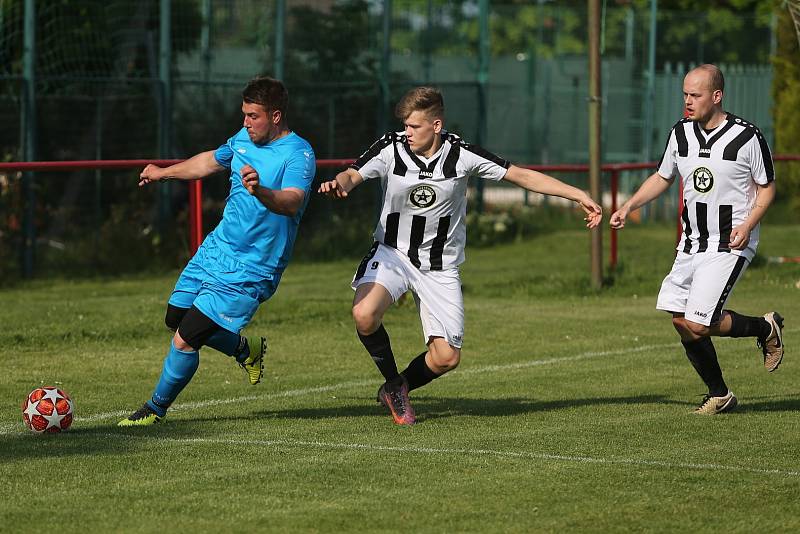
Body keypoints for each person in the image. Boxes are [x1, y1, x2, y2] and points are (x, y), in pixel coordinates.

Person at [318, 86, 602, 425]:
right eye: (405, 126)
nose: (407, 133)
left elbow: (520, 175)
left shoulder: (462, 154)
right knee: (364, 314)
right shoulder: (391, 148)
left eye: (415, 127)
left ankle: (401, 385)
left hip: (440, 266)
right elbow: (352, 173)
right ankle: (393, 384)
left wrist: (576, 193)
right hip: (393, 253)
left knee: (447, 357)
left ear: (436, 125)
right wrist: (342, 184)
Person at [119, 76, 316, 426]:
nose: (245, 122)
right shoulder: (243, 139)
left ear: (275, 116)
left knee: (185, 339)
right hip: (216, 250)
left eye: (253, 116)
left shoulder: (299, 154)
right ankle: (245, 350)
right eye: (244, 114)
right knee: (176, 318)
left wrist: (262, 193)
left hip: (253, 267)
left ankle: (153, 410)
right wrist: (164, 173)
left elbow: (292, 202)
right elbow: (209, 161)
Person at [609, 64, 784, 415]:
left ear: (716, 96)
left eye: (695, 95)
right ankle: (720, 394)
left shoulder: (747, 137)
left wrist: (748, 224)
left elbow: (767, 189)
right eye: (685, 94)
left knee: (700, 322)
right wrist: (628, 206)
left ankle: (765, 329)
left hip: (729, 243)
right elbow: (663, 177)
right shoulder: (681, 134)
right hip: (691, 243)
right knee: (680, 319)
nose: (687, 101)